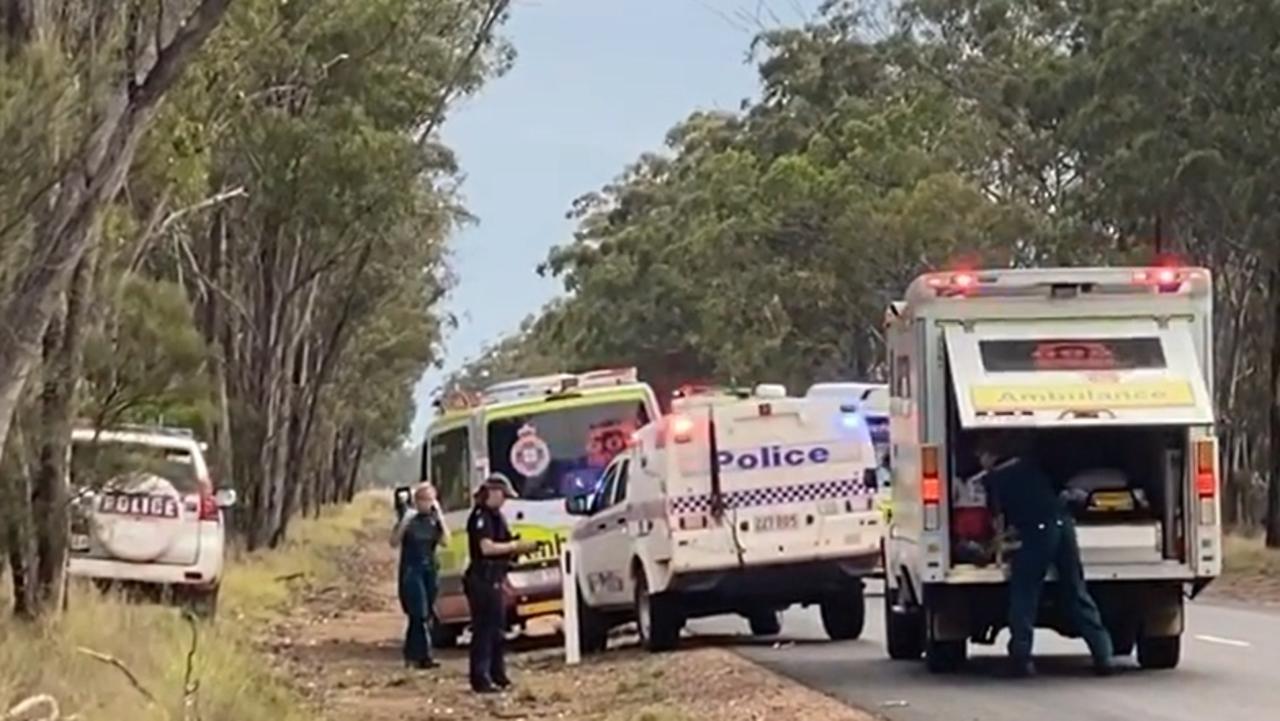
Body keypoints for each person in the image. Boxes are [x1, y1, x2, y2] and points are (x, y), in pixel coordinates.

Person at [974, 432, 1115, 678]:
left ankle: (1022, 657)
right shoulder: (1030, 465)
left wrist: (996, 548)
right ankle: (1103, 654)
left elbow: (998, 522)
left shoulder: (995, 479)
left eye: (981, 456)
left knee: (1025, 591)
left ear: (990, 455)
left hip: (1038, 531)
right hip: (1064, 524)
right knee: (1075, 590)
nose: (980, 461)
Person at [464, 473, 539, 693]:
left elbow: (505, 543)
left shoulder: (497, 516)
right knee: (484, 630)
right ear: (493, 492)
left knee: (497, 630)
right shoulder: (481, 517)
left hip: (495, 579)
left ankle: (498, 675)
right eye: (503, 495)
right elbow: (486, 548)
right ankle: (481, 678)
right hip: (481, 579)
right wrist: (515, 547)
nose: (505, 500)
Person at [389, 482, 449, 670]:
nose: (427, 503)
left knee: (427, 613)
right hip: (412, 569)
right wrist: (404, 521)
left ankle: (414, 655)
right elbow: (393, 542)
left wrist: (440, 517)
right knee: (418, 612)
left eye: (430, 499)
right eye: (423, 499)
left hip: (430, 569)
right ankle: (424, 655)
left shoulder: (433, 520)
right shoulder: (410, 519)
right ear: (416, 501)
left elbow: (446, 541)